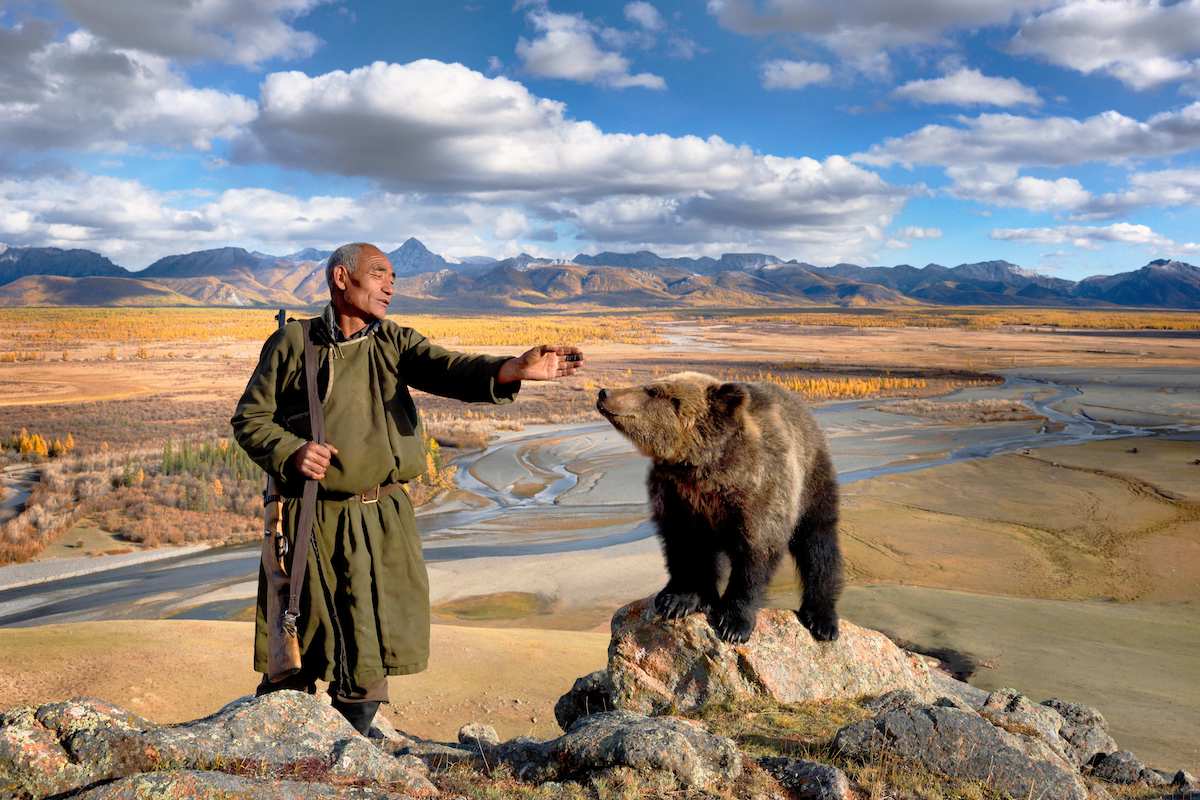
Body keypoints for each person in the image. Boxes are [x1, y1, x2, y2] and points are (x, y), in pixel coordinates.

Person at [230, 242, 584, 733]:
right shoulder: (294, 344)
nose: (390, 286)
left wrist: (512, 369)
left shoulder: (394, 342)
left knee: (370, 648)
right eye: (379, 274)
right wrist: (290, 451)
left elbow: (449, 368)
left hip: (382, 521)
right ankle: (286, 752)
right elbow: (250, 418)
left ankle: (350, 751)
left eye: (393, 277)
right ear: (340, 278)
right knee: (299, 647)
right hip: (313, 518)